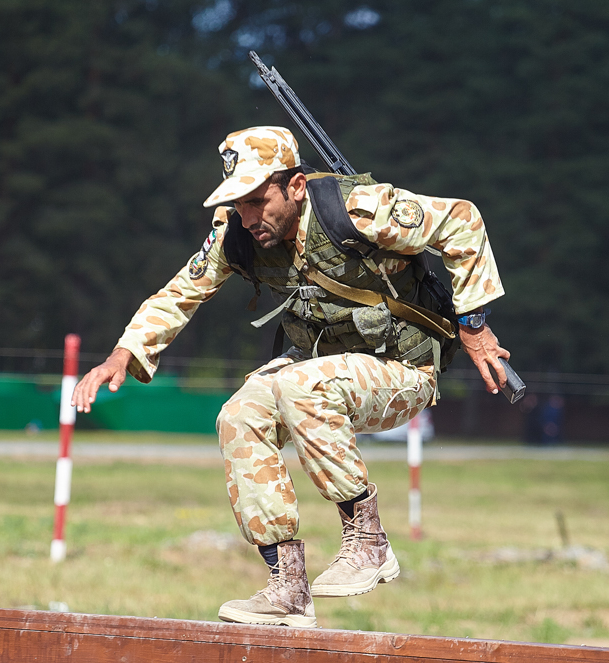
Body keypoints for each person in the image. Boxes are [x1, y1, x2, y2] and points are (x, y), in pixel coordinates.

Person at [72, 127, 509, 627]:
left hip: (402, 369)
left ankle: (369, 543)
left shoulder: (359, 209)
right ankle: (287, 587)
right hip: (319, 365)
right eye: (239, 204)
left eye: (259, 200)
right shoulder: (238, 234)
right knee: (239, 415)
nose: (249, 216)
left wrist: (473, 324)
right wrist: (123, 354)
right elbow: (180, 293)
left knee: (302, 384)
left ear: (296, 187)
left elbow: (463, 220)